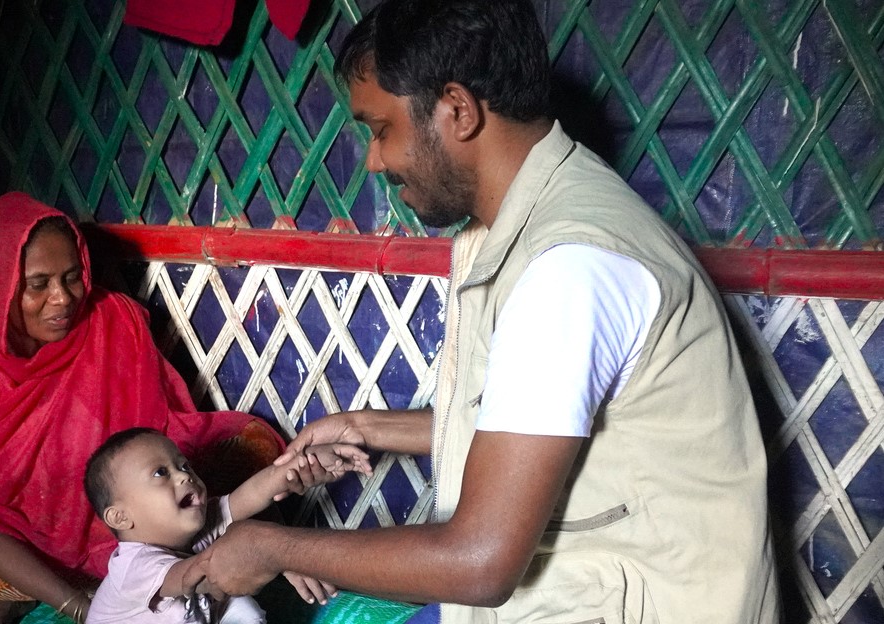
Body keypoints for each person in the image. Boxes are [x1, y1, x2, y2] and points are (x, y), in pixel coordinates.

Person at [198, 1, 780, 622]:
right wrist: (370, 426)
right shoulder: (525, 223)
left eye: (380, 129)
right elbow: (541, 422)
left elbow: (479, 561)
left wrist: (271, 546)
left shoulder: (567, 268)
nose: (372, 160)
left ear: (457, 110)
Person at [0, 192, 285, 623]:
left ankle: (122, 576)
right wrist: (79, 609)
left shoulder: (111, 321)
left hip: (125, 526)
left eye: (72, 276)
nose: (63, 298)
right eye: (38, 284)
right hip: (27, 541)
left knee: (248, 445)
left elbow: (155, 439)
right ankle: (13, 589)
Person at [83, 427, 372, 623]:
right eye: (161, 473)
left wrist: (305, 464)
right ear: (121, 517)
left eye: (183, 466)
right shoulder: (134, 566)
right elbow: (194, 577)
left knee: (240, 606)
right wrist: (276, 555)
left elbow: (253, 493)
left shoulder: (200, 527)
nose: (184, 476)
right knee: (231, 592)